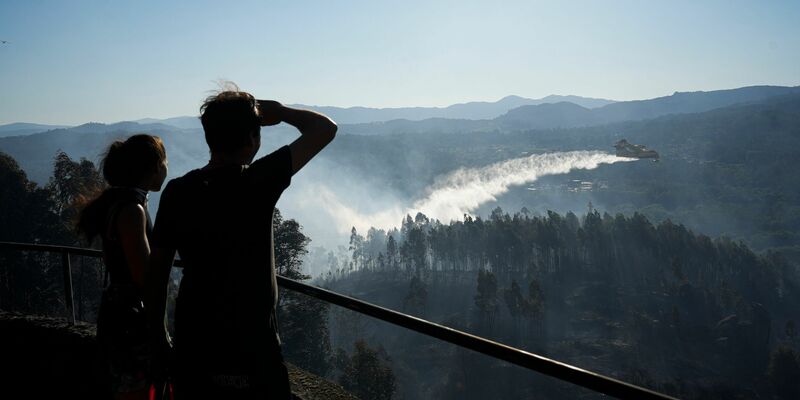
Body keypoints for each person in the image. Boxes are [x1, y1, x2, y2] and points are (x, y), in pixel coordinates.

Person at [146, 84, 337, 399]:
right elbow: (325, 128)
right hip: (252, 342)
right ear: (252, 139)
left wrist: (158, 338)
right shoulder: (257, 181)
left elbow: (157, 272)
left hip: (195, 339)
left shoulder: (178, 191)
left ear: (210, 137)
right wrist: (279, 111)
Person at [76, 134, 168, 399]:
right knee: (135, 390)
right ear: (152, 169)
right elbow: (144, 276)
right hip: (131, 320)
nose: (166, 167)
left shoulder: (122, 204)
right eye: (164, 161)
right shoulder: (132, 211)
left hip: (119, 313)